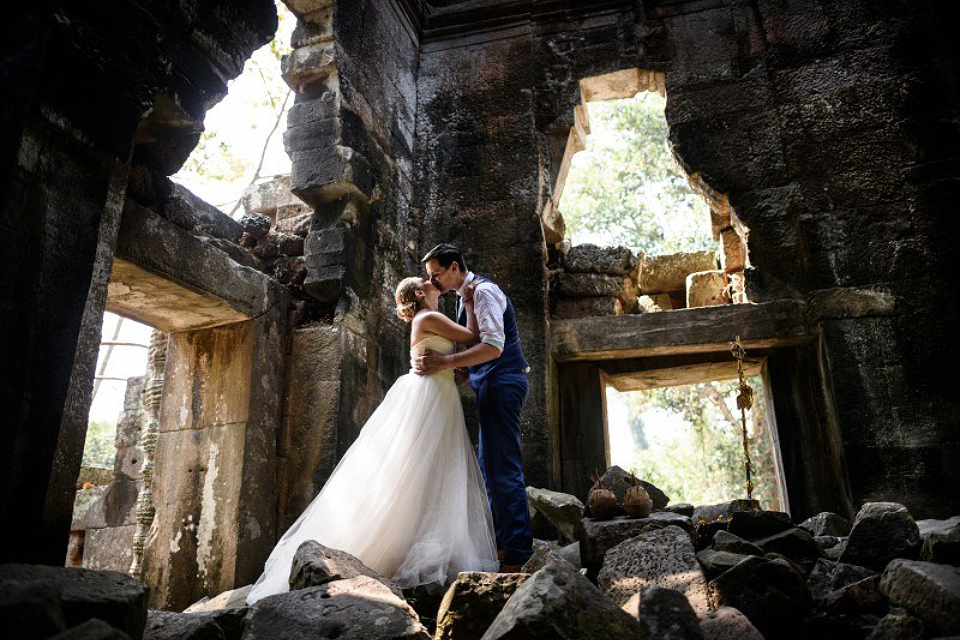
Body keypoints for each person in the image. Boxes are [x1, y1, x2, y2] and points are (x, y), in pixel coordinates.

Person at [246, 276, 498, 605]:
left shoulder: (429, 319)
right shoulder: (430, 317)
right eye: (426, 279)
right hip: (430, 396)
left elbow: (446, 356)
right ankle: (387, 551)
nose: (432, 280)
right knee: (417, 469)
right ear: (420, 294)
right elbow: (474, 336)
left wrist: (456, 372)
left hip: (440, 392)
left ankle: (414, 545)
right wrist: (468, 300)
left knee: (431, 469)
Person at [415, 243, 534, 571]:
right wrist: (456, 376)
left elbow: (494, 347)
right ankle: (503, 544)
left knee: (503, 468)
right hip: (489, 386)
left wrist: (445, 362)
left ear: (454, 268)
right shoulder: (464, 300)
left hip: (503, 382)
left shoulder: (483, 292)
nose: (434, 281)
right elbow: (475, 348)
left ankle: (519, 552)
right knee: (489, 467)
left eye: (436, 274)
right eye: (430, 277)